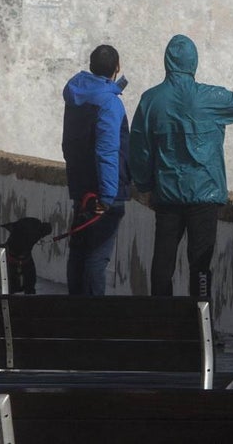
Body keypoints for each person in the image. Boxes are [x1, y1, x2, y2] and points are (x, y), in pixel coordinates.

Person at [129, 34, 233, 300]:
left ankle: (159, 325)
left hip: (167, 195)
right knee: (200, 264)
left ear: (167, 62)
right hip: (204, 195)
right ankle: (201, 331)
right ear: (194, 63)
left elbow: (139, 150)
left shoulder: (151, 100)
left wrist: (144, 185)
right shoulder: (210, 97)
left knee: (163, 262)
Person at [61, 44, 130, 296]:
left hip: (80, 188)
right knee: (96, 258)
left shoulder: (76, 95)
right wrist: (108, 196)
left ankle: (75, 316)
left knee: (78, 253)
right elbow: (107, 151)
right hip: (102, 191)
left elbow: (69, 144)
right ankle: (93, 321)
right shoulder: (109, 104)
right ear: (117, 67)